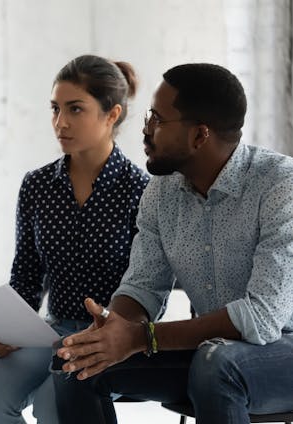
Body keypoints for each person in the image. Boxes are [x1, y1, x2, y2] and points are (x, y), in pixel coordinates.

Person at [53, 63, 293, 424]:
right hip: (212, 357)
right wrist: (115, 329)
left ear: (200, 136)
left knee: (217, 364)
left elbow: (261, 318)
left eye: (158, 120)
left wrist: (142, 338)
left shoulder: (279, 186)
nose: (146, 130)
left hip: (279, 350)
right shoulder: (161, 193)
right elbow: (143, 286)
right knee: (77, 362)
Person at [0, 55, 149, 424]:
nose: (60, 123)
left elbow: (151, 287)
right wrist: (9, 330)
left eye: (75, 110)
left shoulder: (141, 192)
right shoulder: (37, 186)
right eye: (55, 109)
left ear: (111, 115)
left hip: (109, 340)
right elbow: (26, 275)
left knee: (54, 406)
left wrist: (115, 332)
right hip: (50, 333)